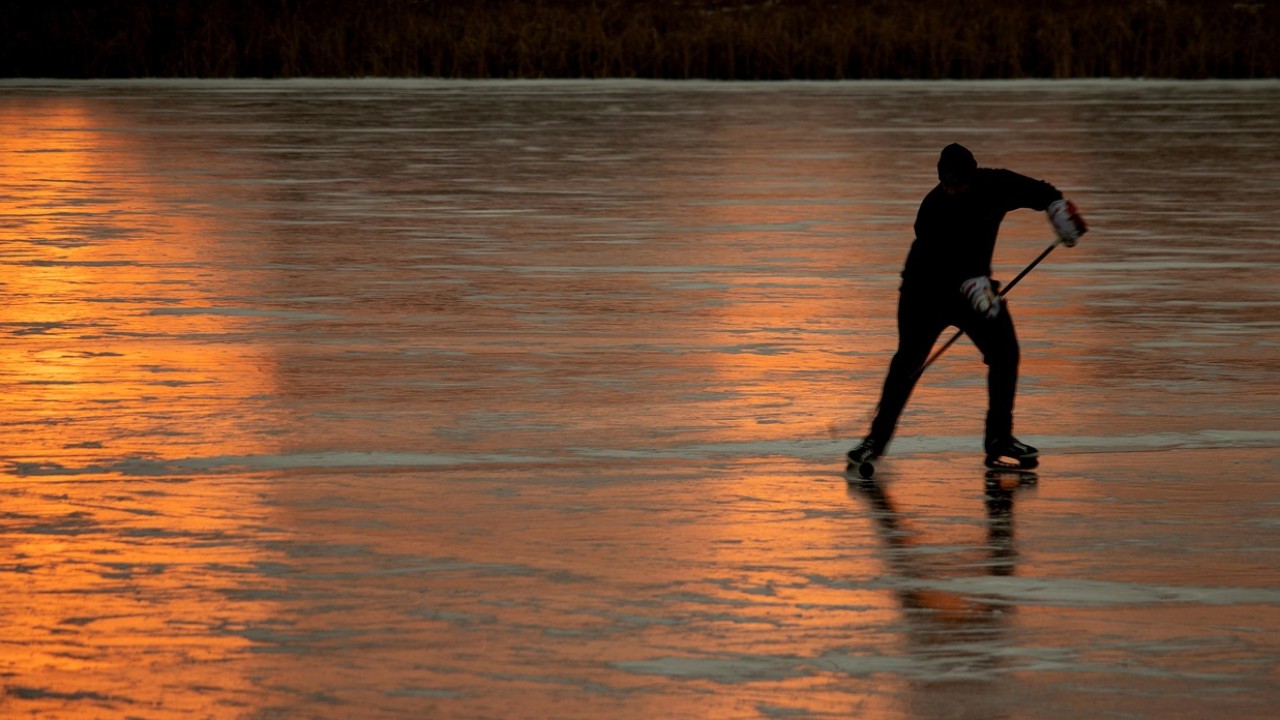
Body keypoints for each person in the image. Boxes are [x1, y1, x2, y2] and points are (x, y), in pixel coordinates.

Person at [847, 143, 1086, 471]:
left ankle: (999, 439)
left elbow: (1042, 192)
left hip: (975, 286)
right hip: (924, 291)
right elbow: (939, 259)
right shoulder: (933, 207)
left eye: (959, 183)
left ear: (972, 176)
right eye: (946, 184)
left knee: (1005, 354)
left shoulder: (996, 185)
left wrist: (1058, 210)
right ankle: (875, 440)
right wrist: (973, 284)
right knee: (909, 362)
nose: (953, 190)